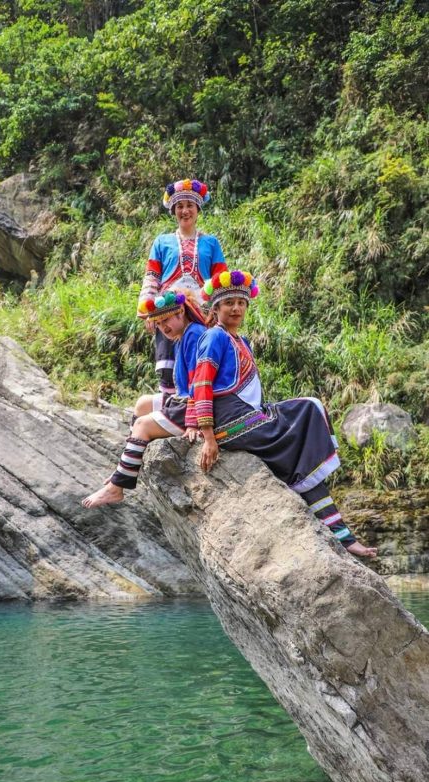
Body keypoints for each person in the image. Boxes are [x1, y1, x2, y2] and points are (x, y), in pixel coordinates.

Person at [192, 270, 377, 558]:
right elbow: (201, 384)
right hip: (231, 422)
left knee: (310, 407)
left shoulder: (240, 340)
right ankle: (343, 536)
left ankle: (344, 537)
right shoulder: (214, 336)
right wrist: (208, 437)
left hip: (248, 414)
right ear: (215, 308)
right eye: (229, 303)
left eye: (241, 303)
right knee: (300, 446)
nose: (236, 308)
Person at [83, 290, 205, 508]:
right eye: (158, 323)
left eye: (166, 320)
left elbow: (200, 381)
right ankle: (127, 466)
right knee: (143, 403)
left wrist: (195, 422)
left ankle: (117, 488)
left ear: (181, 312)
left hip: (194, 406)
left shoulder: (194, 334)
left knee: (142, 425)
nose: (162, 327)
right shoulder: (183, 336)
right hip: (184, 399)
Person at [138, 179, 227, 395]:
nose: (185, 211)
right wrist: (148, 309)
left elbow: (219, 280)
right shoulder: (162, 242)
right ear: (174, 211)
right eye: (179, 206)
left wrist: (217, 311)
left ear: (197, 209)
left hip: (201, 311)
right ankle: (170, 403)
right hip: (167, 308)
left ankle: (197, 402)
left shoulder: (211, 243)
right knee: (168, 366)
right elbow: (152, 276)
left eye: (189, 205)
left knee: (200, 360)